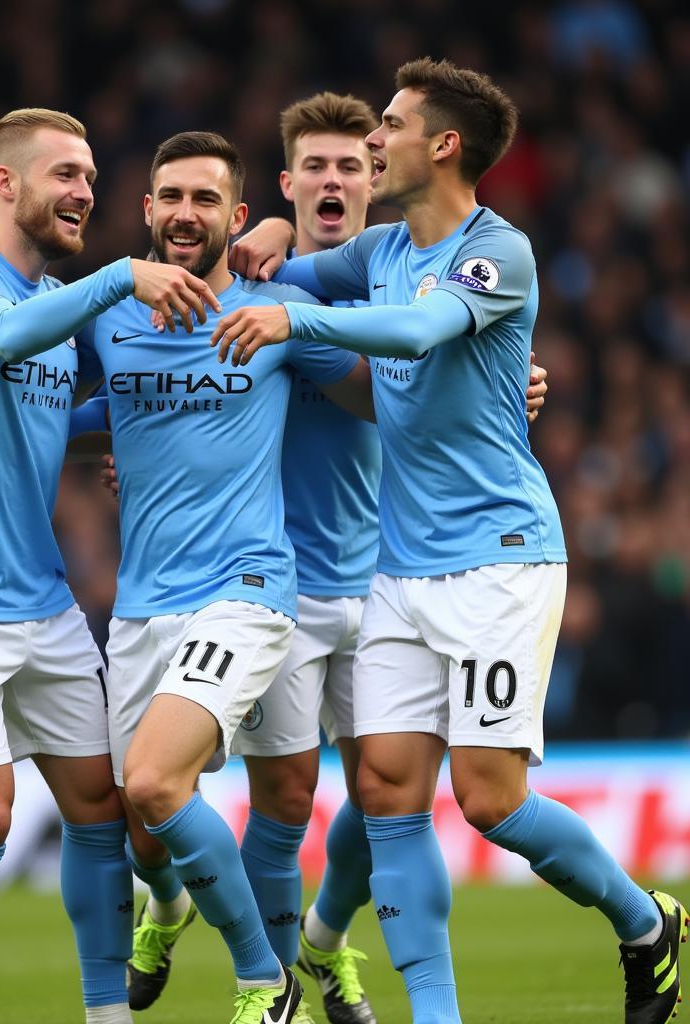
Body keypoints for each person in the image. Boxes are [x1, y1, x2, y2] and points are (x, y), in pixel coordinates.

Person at [213, 58, 687, 1024]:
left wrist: (293, 310)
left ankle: (648, 924)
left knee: (490, 801)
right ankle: (436, 1016)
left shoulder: (495, 251)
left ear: (443, 145)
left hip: (500, 559)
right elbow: (272, 261)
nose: (373, 141)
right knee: (387, 792)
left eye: (389, 124)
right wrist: (259, 229)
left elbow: (424, 331)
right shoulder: (379, 250)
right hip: (400, 570)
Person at [104, 94, 546, 1024]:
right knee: (280, 797)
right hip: (281, 584)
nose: (338, 178)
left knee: (387, 792)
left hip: (386, 571)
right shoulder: (265, 277)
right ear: (287, 183)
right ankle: (222, 941)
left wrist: (510, 385)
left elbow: (421, 371)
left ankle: (320, 951)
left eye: (354, 164)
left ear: (374, 178)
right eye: (318, 167)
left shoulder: (381, 277)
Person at [0, 107, 217, 1024]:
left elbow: (50, 418)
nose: (86, 192)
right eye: (66, 174)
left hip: (39, 595)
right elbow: (1, 342)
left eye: (92, 177)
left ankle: (108, 1016)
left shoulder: (57, 324)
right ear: (6, 185)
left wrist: (141, 430)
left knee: (101, 812)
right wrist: (116, 278)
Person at [81, 130, 375, 1024]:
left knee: (238, 792)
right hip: (141, 605)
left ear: (237, 217)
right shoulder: (106, 313)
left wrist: (495, 388)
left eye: (207, 200)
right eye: (171, 196)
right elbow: (43, 402)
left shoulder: (272, 310)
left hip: (250, 588)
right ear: (146, 210)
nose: (185, 214)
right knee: (143, 824)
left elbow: (376, 394)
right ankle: (165, 907)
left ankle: (267, 979)